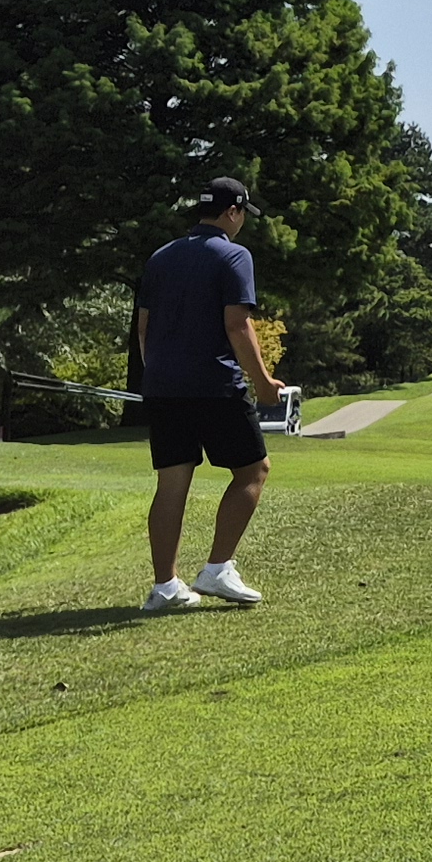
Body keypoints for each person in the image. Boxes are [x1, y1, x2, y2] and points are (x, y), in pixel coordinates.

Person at [134, 175, 287, 612]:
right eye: (242, 215)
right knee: (253, 470)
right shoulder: (235, 256)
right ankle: (217, 569)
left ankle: (165, 586)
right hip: (214, 384)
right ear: (233, 211)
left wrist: (159, 375)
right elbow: (237, 325)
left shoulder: (161, 257)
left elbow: (144, 327)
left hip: (163, 387)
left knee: (173, 481)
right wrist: (262, 382)